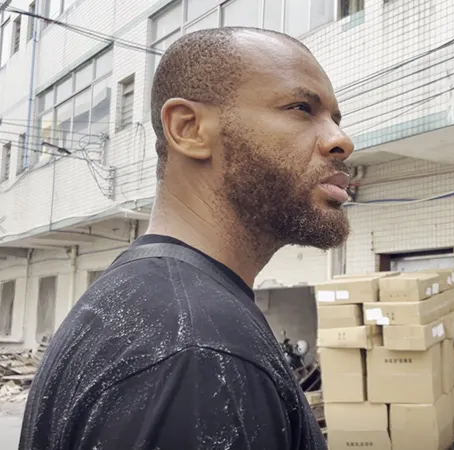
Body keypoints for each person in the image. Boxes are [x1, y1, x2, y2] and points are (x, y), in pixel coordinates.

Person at [19, 27, 353, 449]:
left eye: (336, 120)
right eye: (302, 108)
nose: (342, 140)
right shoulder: (198, 352)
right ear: (189, 128)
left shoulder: (143, 301)